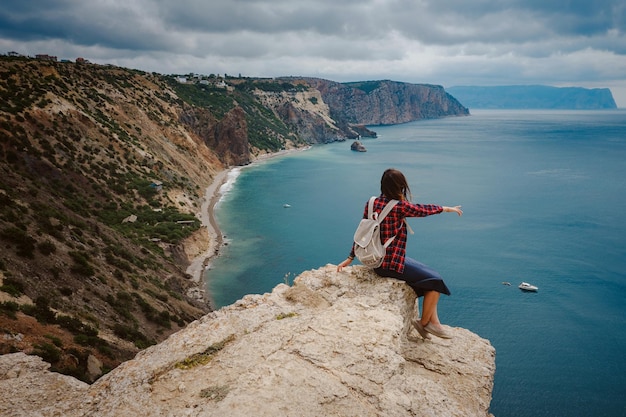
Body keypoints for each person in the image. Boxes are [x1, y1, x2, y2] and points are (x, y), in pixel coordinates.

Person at [337, 168, 463, 339]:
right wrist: (447, 208)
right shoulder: (399, 207)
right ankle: (424, 324)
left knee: (430, 275)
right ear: (400, 187)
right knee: (436, 282)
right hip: (389, 265)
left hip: (377, 260)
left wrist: (350, 257)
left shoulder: (372, 202)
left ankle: (434, 322)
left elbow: (363, 233)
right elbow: (423, 210)